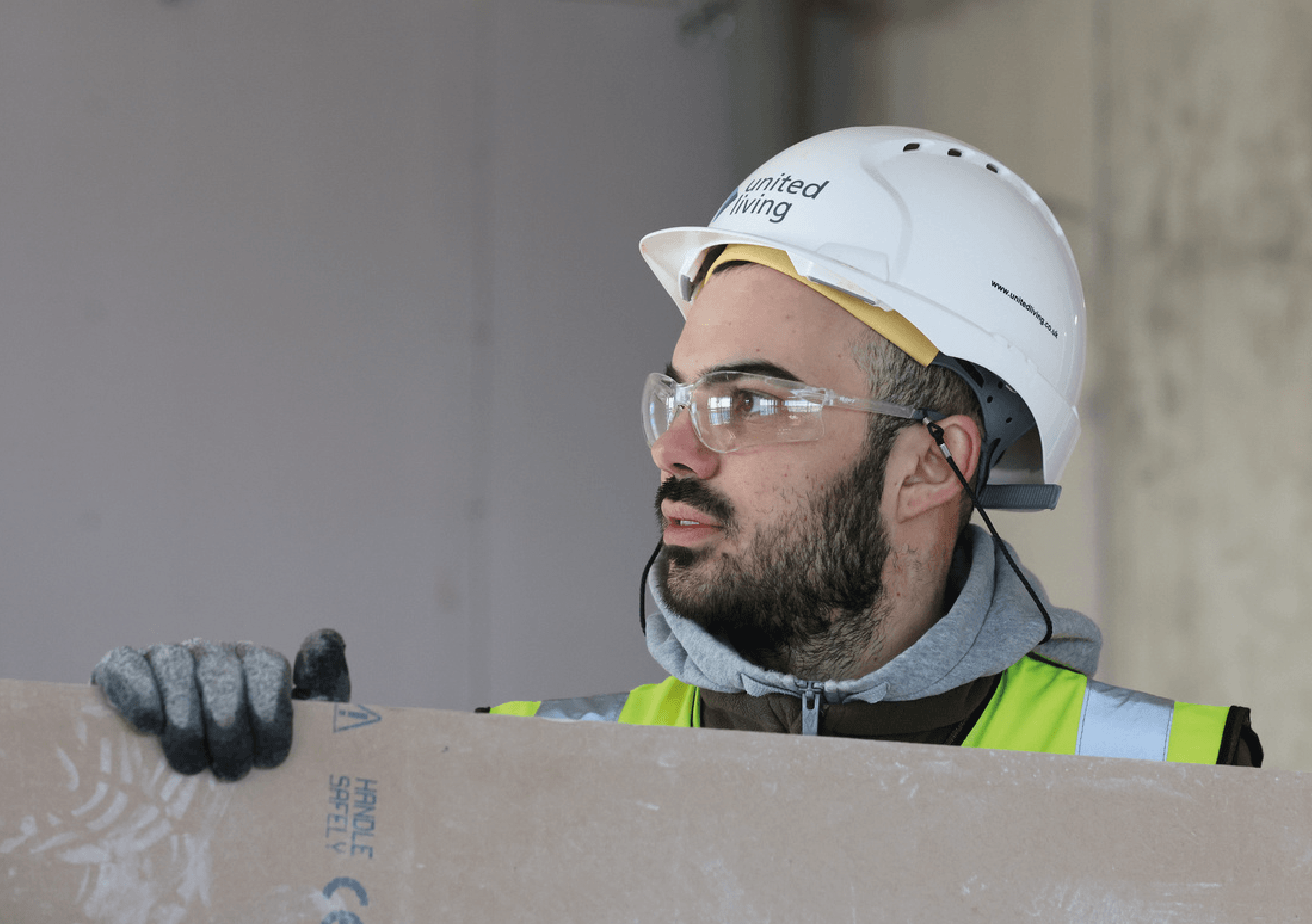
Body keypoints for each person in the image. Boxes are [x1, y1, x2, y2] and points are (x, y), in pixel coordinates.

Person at [92, 127, 1262, 779]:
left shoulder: (1179, 788)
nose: (673, 444)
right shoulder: (514, 774)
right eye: (680, 391)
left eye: (746, 401)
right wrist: (262, 830)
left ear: (929, 462)